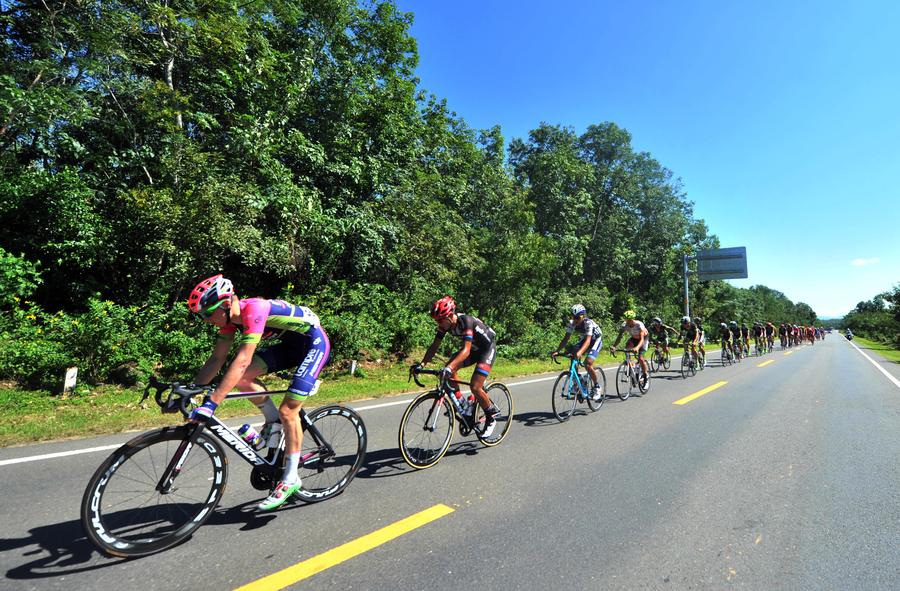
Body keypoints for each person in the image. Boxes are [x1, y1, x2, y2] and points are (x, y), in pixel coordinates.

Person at [187, 274, 330, 511]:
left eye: (207, 313)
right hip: (288, 347)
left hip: (313, 343)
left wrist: (211, 403)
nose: (205, 320)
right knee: (243, 380)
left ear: (224, 304)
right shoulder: (230, 322)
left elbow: (242, 359)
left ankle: (291, 478)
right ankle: (272, 421)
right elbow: (217, 358)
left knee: (288, 411)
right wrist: (191, 391)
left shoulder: (254, 309)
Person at [417, 296, 501, 437]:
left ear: (450, 316)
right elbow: (434, 346)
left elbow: (465, 350)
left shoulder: (466, 321)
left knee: (475, 386)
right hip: (474, 350)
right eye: (437, 321)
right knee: (449, 368)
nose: (438, 324)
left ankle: (491, 415)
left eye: (440, 320)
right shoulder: (446, 326)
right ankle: (462, 403)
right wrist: (421, 364)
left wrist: (449, 368)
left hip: (486, 349)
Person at [552, 304, 604, 400]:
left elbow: (588, 341)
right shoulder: (571, 323)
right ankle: (578, 382)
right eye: (573, 317)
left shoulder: (588, 323)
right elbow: (566, 338)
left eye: (578, 317)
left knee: (587, 363)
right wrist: (557, 351)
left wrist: (580, 353)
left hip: (596, 340)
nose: (575, 319)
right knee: (573, 357)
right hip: (586, 339)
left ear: (583, 316)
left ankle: (597, 387)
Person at [610, 310, 650, 379]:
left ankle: (645, 374)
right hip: (634, 338)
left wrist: (637, 348)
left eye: (629, 320)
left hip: (643, 339)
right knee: (626, 349)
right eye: (626, 320)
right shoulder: (624, 325)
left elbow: (642, 339)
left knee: (640, 358)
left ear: (633, 319)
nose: (627, 322)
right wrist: (614, 346)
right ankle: (632, 366)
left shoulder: (639, 325)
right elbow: (619, 337)